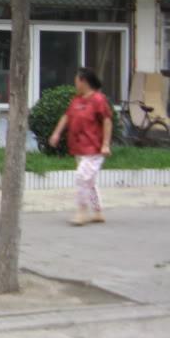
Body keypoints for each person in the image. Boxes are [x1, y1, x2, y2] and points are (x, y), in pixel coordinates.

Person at [48, 67, 113, 226]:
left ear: (84, 81)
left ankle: (82, 211)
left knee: (82, 178)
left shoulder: (98, 100)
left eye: (76, 81)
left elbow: (107, 121)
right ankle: (98, 212)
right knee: (89, 181)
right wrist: (56, 133)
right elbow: (66, 116)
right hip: (79, 147)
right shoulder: (77, 100)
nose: (75, 84)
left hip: (94, 148)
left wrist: (105, 144)